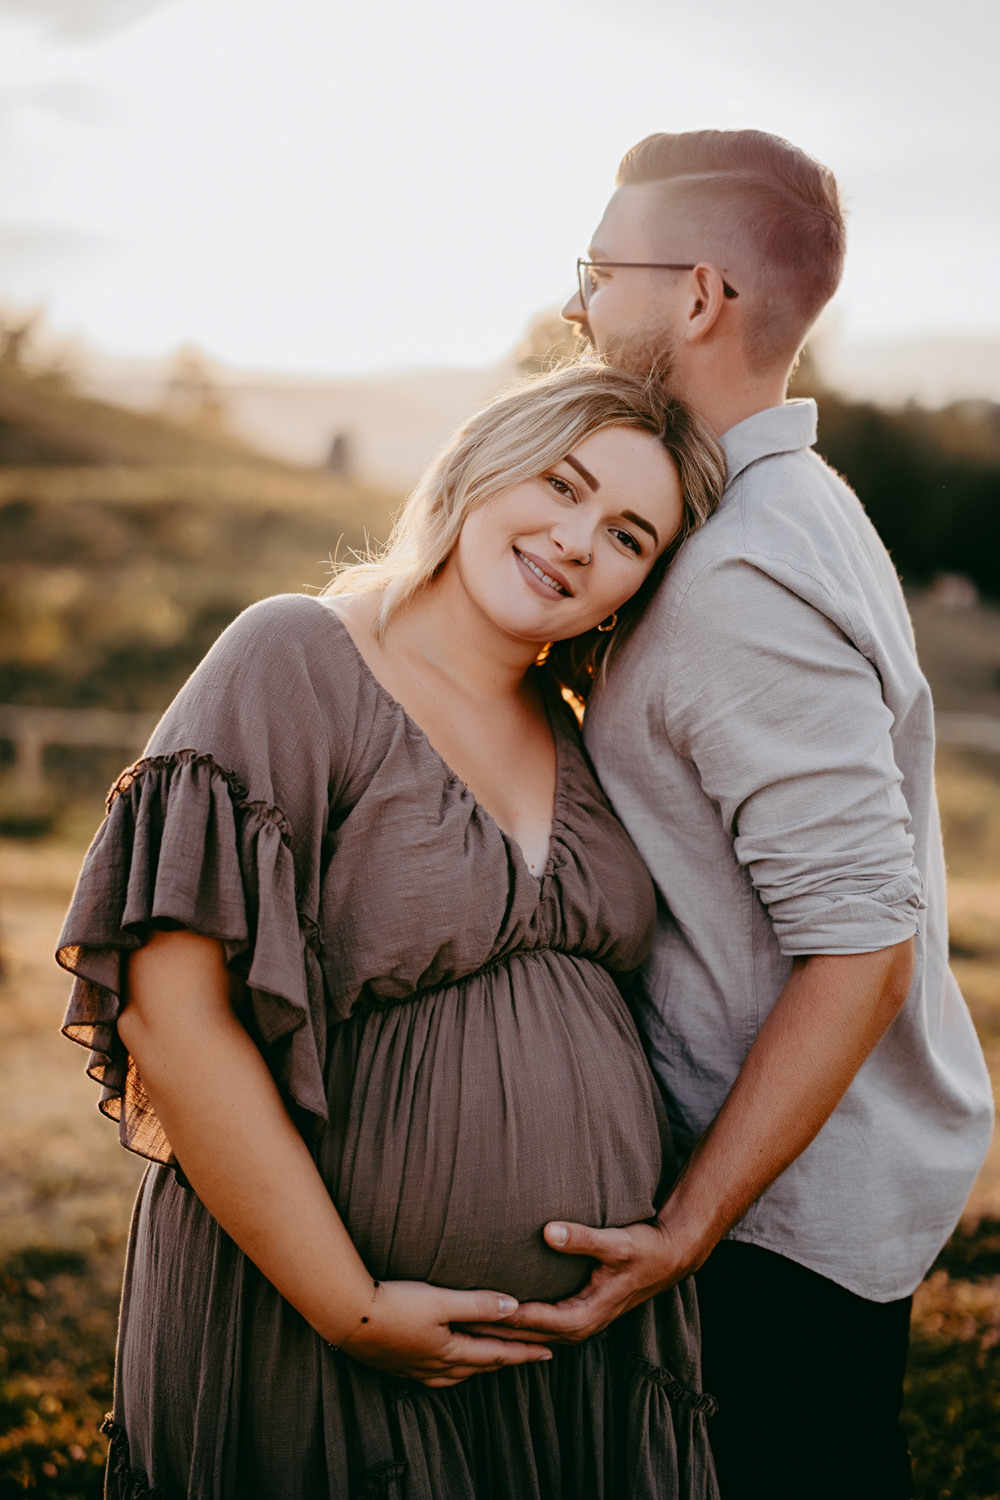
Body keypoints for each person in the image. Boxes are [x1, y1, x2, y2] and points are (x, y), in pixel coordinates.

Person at [57, 359, 728, 1500]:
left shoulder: (583, 736)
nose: (576, 540)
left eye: (627, 535)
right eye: (560, 486)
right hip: (316, 1330)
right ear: (478, 467)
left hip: (574, 1366)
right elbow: (172, 1018)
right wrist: (351, 1306)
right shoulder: (295, 658)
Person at [493, 130, 995, 1499]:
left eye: (600, 272)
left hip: (775, 1222)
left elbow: (862, 941)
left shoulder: (746, 578)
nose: (580, 306)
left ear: (701, 296)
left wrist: (688, 1227)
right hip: (789, 1184)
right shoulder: (778, 507)